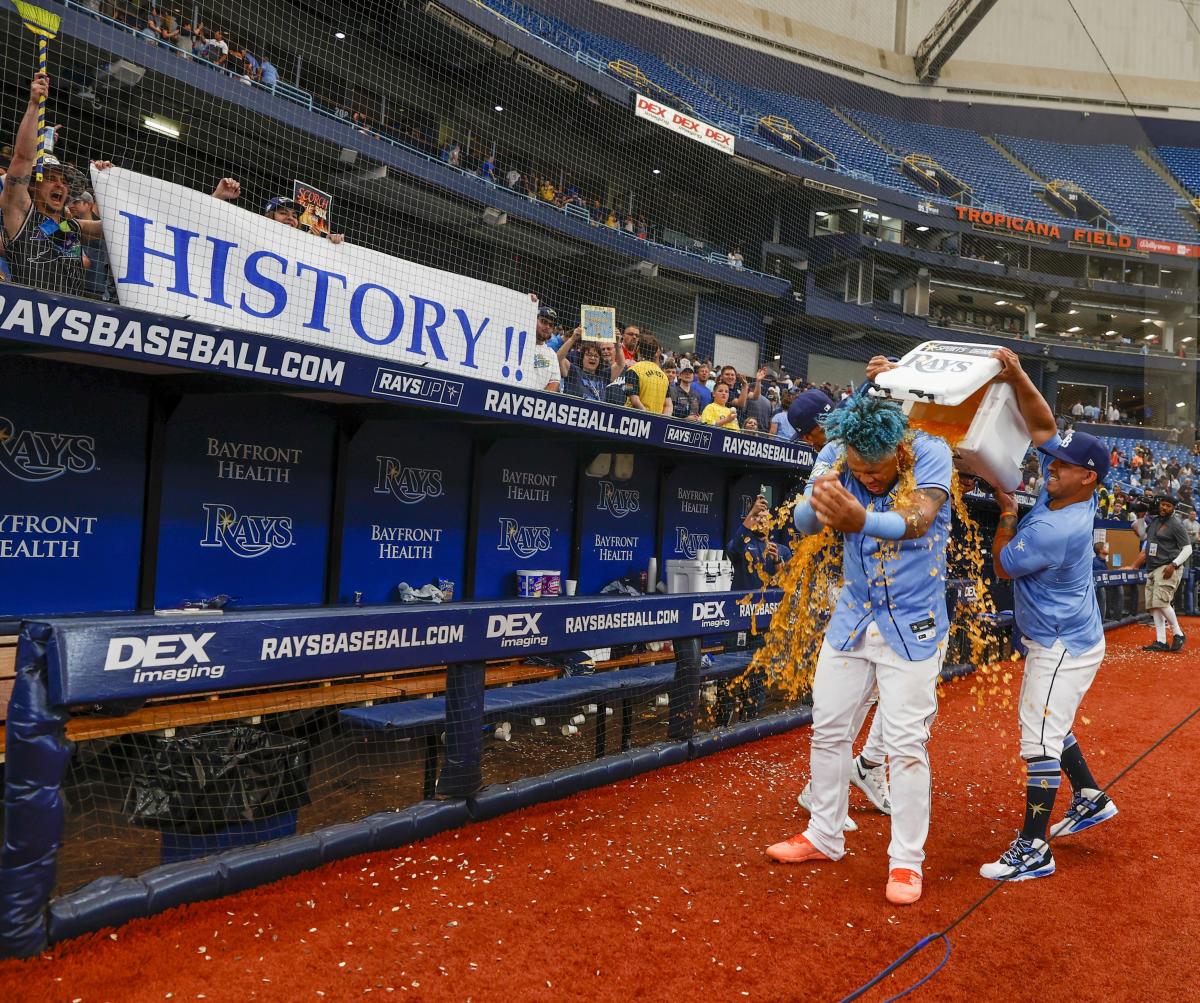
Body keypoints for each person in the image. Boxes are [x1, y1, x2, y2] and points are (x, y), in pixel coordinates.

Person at [765, 380, 953, 907]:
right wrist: (820, 497)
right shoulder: (833, 449)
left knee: (905, 746)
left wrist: (861, 516)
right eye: (859, 469)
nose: (867, 479)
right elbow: (804, 522)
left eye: (877, 471)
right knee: (827, 728)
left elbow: (919, 518)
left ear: (900, 449)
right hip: (853, 615)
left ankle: (906, 863)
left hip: (913, 623)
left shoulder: (930, 449)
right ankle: (825, 834)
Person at [977, 349, 1117, 882]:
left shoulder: (1059, 525)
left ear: (1088, 478)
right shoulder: (1066, 490)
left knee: (1036, 736)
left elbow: (1004, 567)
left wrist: (1007, 511)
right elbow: (1041, 427)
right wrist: (1016, 375)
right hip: (1069, 635)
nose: (1050, 466)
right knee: (1049, 724)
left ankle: (1035, 846)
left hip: (1061, 645)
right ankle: (1088, 795)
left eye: (1061, 465)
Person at [0, 73, 114, 296]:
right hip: (26, 318)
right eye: (51, 178)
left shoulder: (71, 228)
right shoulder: (21, 216)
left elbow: (118, 226)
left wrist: (109, 183)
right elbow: (22, 158)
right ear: (33, 184)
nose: (60, 185)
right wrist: (34, 104)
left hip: (70, 319)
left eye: (64, 181)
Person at [719, 495, 792, 723]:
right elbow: (732, 548)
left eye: (764, 517)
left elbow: (787, 584)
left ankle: (751, 718)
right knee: (730, 669)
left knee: (758, 672)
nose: (761, 521)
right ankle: (724, 716)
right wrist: (751, 513)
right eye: (756, 517)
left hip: (764, 621)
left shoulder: (780, 549)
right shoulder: (743, 543)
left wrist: (778, 561)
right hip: (739, 618)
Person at [1131, 495, 1191, 652]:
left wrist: (1174, 564)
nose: (1164, 508)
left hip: (1167, 567)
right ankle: (1161, 641)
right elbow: (1143, 535)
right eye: (1162, 504)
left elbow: (1188, 548)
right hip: (1152, 568)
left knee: (1162, 602)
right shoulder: (1156, 521)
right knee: (1155, 606)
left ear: (1173, 508)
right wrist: (1140, 516)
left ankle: (1178, 633)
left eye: (1168, 506)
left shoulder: (1176, 524)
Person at [623, 333, 670, 415]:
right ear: (656, 353)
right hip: (656, 423)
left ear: (637, 349)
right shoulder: (664, 377)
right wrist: (661, 420)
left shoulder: (632, 370)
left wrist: (648, 417)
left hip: (633, 418)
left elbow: (634, 400)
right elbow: (669, 405)